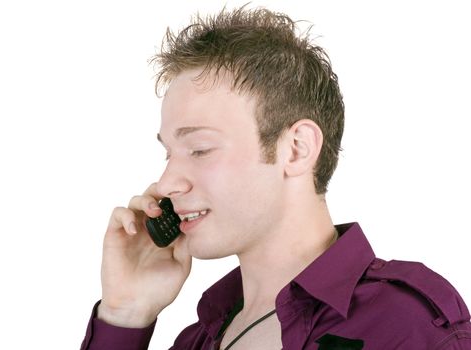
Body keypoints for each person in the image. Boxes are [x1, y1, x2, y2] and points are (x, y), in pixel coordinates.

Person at [80, 5, 471, 349]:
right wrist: (124, 315)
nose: (166, 184)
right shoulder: (197, 339)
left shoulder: (408, 327)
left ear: (297, 148)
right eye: (169, 152)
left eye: (199, 149)